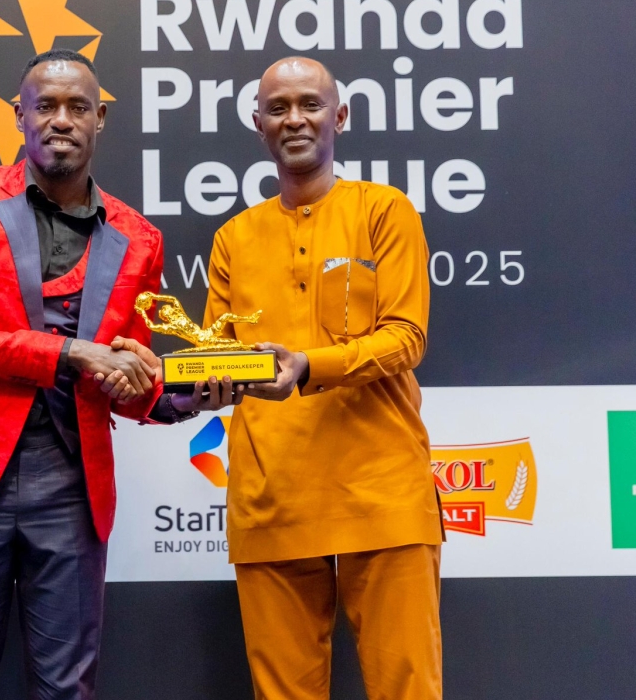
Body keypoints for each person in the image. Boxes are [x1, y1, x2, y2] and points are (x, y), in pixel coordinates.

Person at [0, 49, 241, 700]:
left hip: (71, 491)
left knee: (68, 690)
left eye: (78, 106)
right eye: (45, 105)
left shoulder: (138, 238)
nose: (60, 119)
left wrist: (193, 394)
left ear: (100, 117)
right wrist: (72, 354)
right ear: (17, 115)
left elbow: (130, 383)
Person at [204, 56, 444, 699]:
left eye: (310, 104)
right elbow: (219, 358)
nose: (294, 119)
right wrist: (182, 384)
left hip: (381, 489)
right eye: (277, 108)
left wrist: (311, 366)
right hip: (271, 493)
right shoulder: (233, 238)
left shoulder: (385, 211)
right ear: (258, 124)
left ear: (340, 115)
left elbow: (406, 337)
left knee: (409, 689)